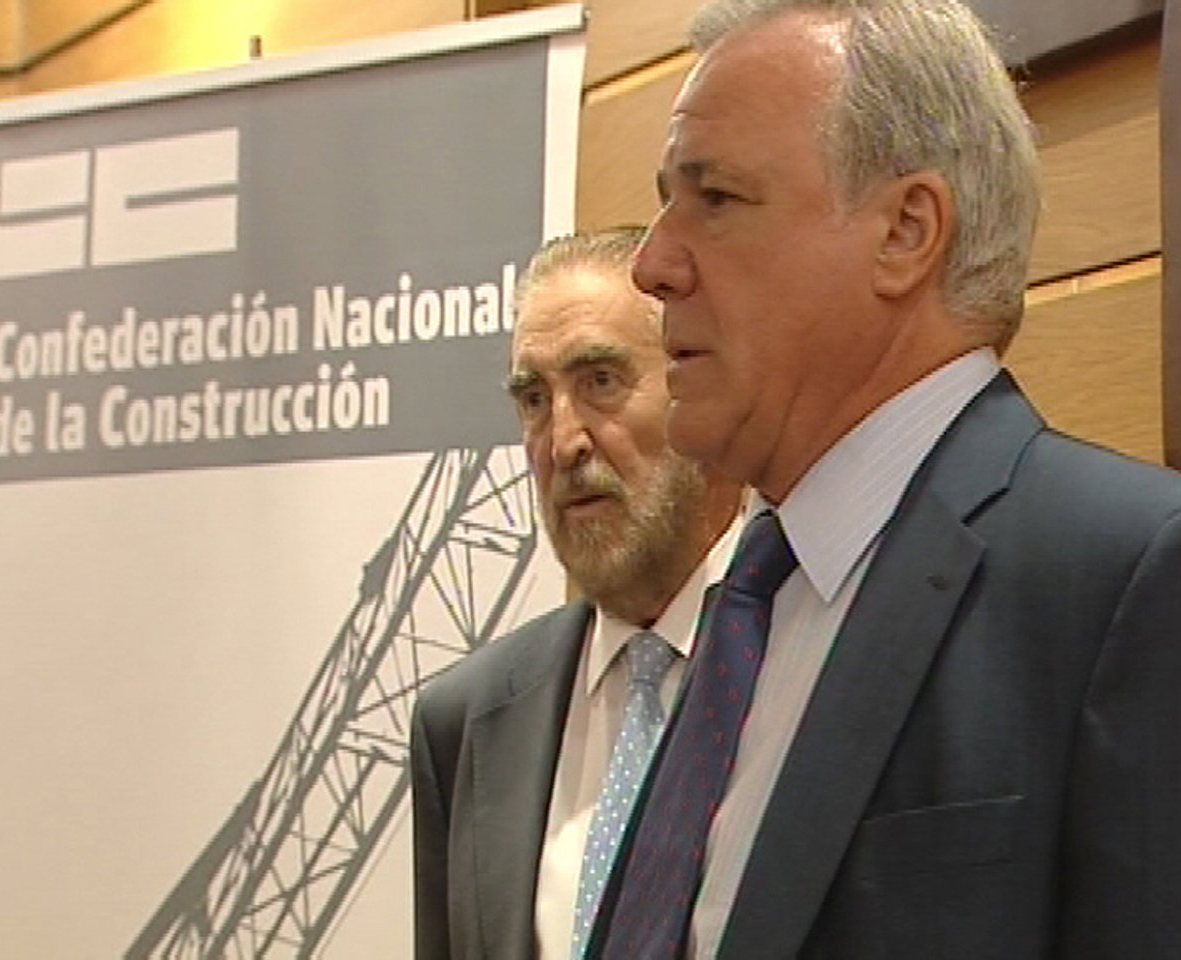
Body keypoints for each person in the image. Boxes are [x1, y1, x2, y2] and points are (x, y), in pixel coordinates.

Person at [585, 1, 1181, 958]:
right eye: (665, 203)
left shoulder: (1133, 578)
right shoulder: (747, 599)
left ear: (906, 231)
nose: (651, 265)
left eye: (716, 198)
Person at [409, 226, 744, 960]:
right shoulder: (466, 721)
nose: (563, 443)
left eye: (600, 382)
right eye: (534, 400)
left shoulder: (809, 655)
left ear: (702, 387)